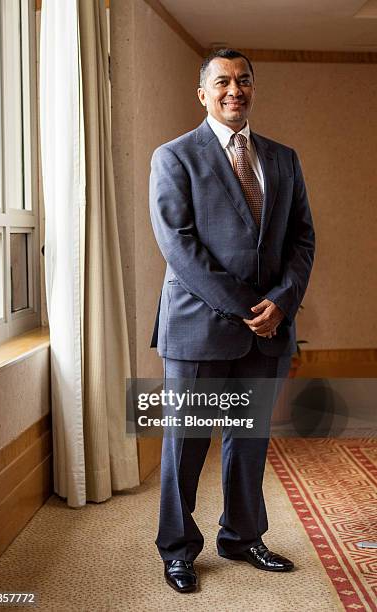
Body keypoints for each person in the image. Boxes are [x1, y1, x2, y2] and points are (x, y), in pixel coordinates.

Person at [149, 48, 315, 593]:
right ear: (202, 93)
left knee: (249, 441)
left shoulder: (284, 159)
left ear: (253, 88)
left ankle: (242, 537)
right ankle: (177, 548)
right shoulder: (174, 157)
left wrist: (283, 303)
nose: (234, 90)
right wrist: (251, 310)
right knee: (186, 445)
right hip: (200, 328)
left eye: (244, 80)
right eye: (222, 81)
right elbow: (180, 248)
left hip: (270, 329)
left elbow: (301, 239)